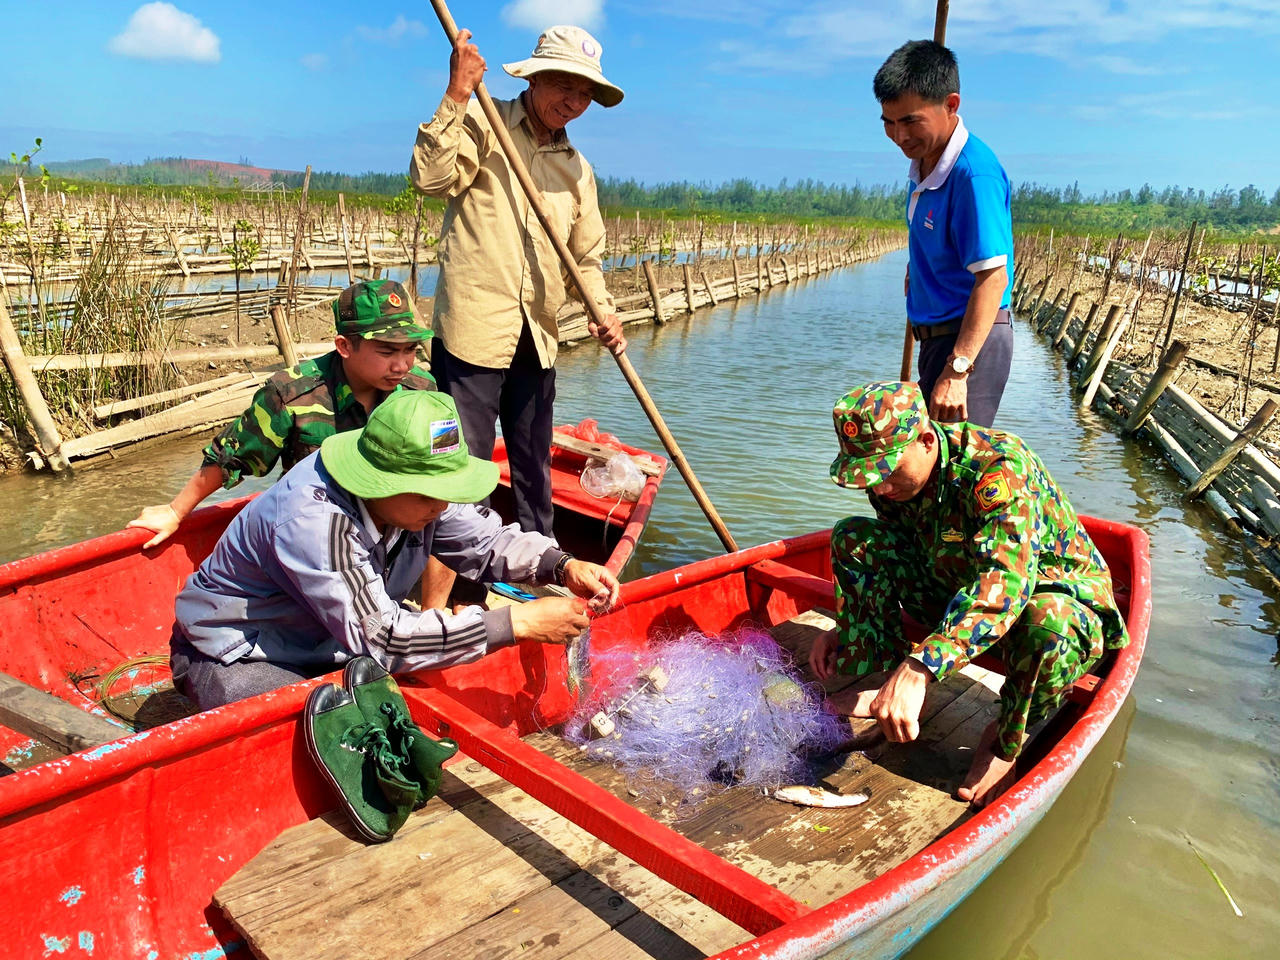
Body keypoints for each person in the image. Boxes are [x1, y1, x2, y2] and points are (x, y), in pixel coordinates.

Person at [170, 390, 620, 711]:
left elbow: (486, 542)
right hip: (236, 653)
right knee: (330, 721)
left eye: (448, 489)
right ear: (379, 481)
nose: (442, 504)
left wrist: (562, 566)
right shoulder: (315, 522)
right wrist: (515, 621)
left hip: (326, 640)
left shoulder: (414, 498)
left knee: (380, 702)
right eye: (430, 494)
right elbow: (384, 639)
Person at [809, 382, 1127, 808]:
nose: (879, 489)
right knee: (854, 537)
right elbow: (901, 544)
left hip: (1051, 593)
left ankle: (1006, 736)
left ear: (926, 439)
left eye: (886, 473)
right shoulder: (895, 480)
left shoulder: (999, 468)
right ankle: (882, 678)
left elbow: (1005, 584)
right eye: (869, 477)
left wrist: (921, 666)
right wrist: (850, 625)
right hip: (956, 576)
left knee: (1046, 622)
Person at [409, 23, 627, 536]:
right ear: (533, 79)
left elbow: (585, 259)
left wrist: (604, 311)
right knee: (462, 463)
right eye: (564, 85)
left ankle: (541, 559)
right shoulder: (486, 123)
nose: (574, 101)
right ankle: (459, 577)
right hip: (472, 334)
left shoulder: (578, 171)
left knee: (533, 461)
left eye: (585, 93)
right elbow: (430, 179)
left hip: (538, 336)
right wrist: (457, 94)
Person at [128, 278, 434, 549]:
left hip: (400, 529)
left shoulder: (422, 390)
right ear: (344, 346)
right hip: (320, 532)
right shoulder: (292, 394)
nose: (402, 365)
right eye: (387, 351)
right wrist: (175, 511)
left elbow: (447, 466)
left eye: (410, 349)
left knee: (454, 515)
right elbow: (230, 457)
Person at [875, 40, 1014, 428]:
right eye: (889, 122)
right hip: (937, 338)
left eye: (910, 121)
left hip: (969, 341)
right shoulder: (924, 162)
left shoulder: (973, 174)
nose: (899, 136)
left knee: (946, 468)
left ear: (951, 105)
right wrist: (918, 271)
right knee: (923, 465)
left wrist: (957, 370)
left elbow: (992, 277)